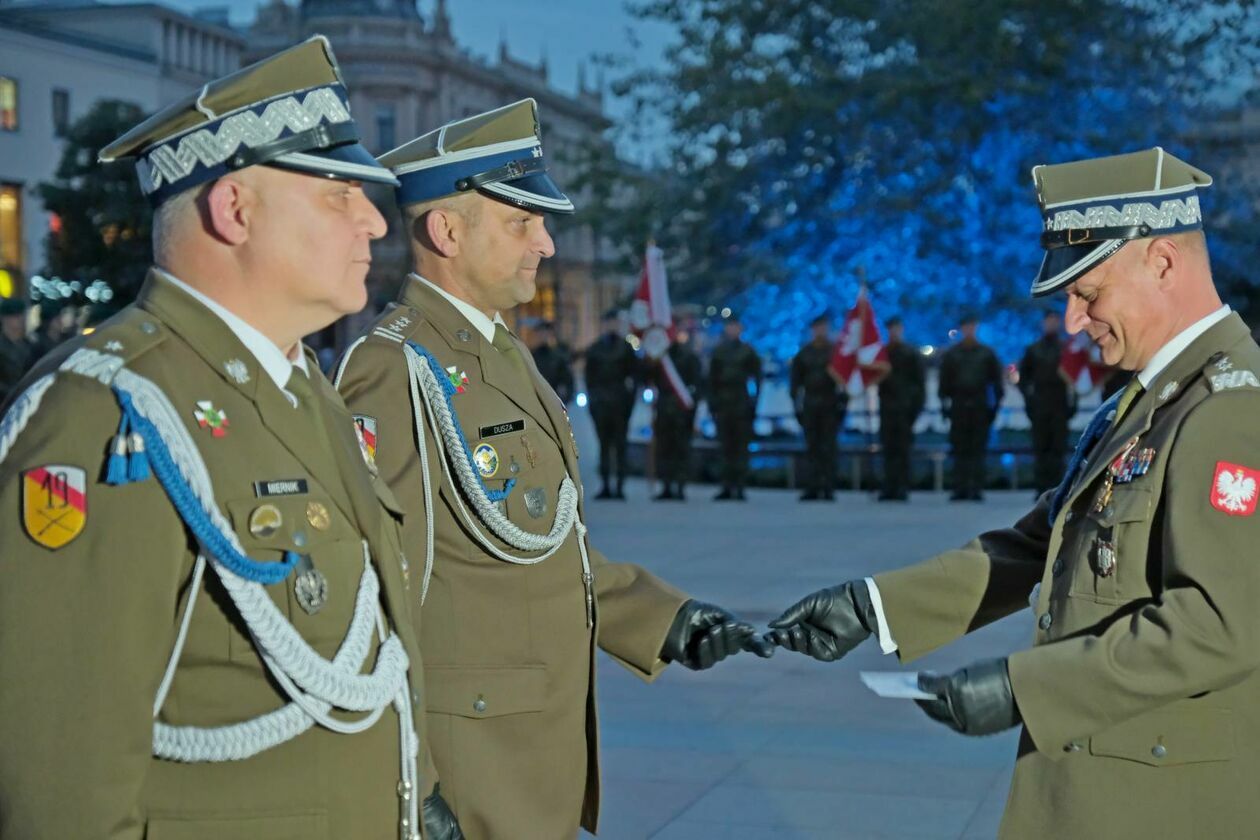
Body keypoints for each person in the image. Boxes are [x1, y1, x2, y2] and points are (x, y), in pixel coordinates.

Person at [0, 37, 461, 839]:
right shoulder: (105, 411)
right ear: (235, 209)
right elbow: (58, 784)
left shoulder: (303, 386)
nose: (372, 219)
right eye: (335, 195)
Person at [766, 148, 1260, 839]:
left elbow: (1218, 624)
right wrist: (872, 608)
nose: (1075, 321)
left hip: (1160, 800)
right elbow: (1039, 543)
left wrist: (1025, 688)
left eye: (1088, 293)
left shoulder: (1229, 409)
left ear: (1163, 262)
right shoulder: (1149, 402)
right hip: (1101, 782)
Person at [334, 99, 773, 840]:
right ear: (446, 231)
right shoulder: (393, 368)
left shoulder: (502, 352)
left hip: (535, 748)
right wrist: (409, 781)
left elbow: (540, 537)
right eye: (521, 223)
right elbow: (374, 598)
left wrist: (665, 620)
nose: (546, 243)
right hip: (470, 764)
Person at [938, 313, 1004, 500]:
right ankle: (960, 486)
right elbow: (944, 383)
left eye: (971, 326)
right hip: (959, 404)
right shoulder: (952, 354)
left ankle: (975, 486)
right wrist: (945, 406)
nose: (969, 330)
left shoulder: (986, 353)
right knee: (959, 448)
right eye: (966, 327)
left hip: (979, 404)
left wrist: (994, 407)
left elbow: (996, 383)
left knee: (977, 448)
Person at [583, 309, 638, 499]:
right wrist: (594, 402)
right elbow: (589, 379)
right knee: (604, 446)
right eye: (609, 323)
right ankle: (605, 485)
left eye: (614, 323)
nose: (611, 326)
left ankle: (620, 486)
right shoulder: (595, 349)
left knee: (620, 446)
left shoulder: (625, 348)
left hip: (620, 404)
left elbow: (634, 377)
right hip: (601, 404)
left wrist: (629, 403)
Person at [790, 313, 845, 501]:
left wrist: (843, 404)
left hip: (830, 404)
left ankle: (828, 486)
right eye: (817, 328)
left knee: (828, 447)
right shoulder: (804, 353)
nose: (820, 331)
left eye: (823, 327)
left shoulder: (836, 352)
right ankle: (812, 485)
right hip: (811, 404)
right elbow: (796, 381)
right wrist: (796, 405)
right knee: (812, 447)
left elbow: (844, 380)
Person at [1019, 310, 1074, 496]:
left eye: (1054, 321)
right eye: (1048, 321)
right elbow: (1024, 378)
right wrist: (1029, 400)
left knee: (1058, 449)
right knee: (1041, 447)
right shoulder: (1033, 350)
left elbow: (1074, 379)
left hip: (1059, 403)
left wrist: (1072, 404)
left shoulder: (1066, 349)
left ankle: (1058, 488)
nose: (1051, 325)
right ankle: (1041, 487)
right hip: (1040, 403)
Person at [707, 313, 762, 500]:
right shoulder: (719, 352)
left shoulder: (748, 351)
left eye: (736, 326)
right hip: (724, 404)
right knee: (725, 447)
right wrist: (712, 404)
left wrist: (754, 404)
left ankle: (739, 485)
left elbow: (757, 379)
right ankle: (726, 485)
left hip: (741, 404)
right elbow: (712, 380)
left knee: (740, 447)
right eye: (730, 326)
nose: (733, 330)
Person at [874, 315, 925, 500]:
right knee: (888, 449)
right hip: (887, 409)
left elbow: (919, 385)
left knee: (903, 451)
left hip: (905, 410)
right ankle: (889, 485)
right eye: (890, 329)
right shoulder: (883, 354)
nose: (893, 333)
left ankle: (902, 486)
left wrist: (915, 409)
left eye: (896, 328)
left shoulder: (910, 354)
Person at [652, 325, 702, 500]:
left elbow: (698, 384)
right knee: (664, 449)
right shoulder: (659, 358)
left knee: (681, 448)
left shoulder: (690, 357)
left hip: (682, 410)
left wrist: (693, 409)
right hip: (664, 409)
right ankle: (666, 486)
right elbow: (649, 378)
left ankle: (680, 486)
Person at [530, 320, 574, 405]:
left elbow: (568, 382)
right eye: (540, 333)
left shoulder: (558, 357)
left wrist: (563, 402)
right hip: (536, 402)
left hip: (554, 402)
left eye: (545, 333)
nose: (542, 336)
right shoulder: (531, 356)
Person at [0, 297, 34, 405]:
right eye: (15, 316)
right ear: (4, 319)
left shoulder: (29, 345)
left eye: (21, 316)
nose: (21, 319)